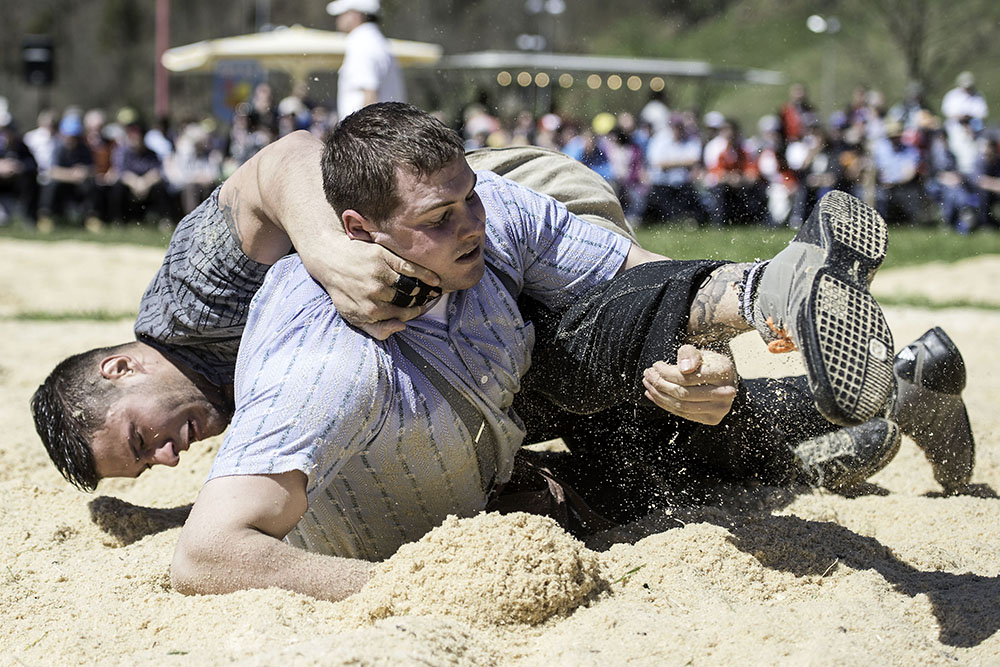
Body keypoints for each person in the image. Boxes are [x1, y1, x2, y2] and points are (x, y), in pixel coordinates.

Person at [31, 107, 973, 596]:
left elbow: (285, 157)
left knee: (625, 365)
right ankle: (882, 392)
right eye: (147, 468)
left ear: (119, 367)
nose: (169, 457)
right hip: (474, 360)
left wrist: (335, 247)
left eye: (140, 436)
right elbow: (248, 510)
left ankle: (787, 336)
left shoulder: (188, 303)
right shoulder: (274, 398)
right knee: (621, 458)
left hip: (473, 245)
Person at [327, 0, 405, 121]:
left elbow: (370, 95)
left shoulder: (362, 44)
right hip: (387, 129)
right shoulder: (377, 42)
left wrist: (363, 136)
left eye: (342, 14)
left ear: (356, 15)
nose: (338, 19)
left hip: (368, 134)